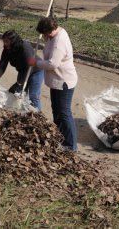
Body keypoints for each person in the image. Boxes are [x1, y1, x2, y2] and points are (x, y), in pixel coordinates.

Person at [28, 17, 78, 151]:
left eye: (45, 33)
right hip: (56, 81)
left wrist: (36, 63)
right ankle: (60, 139)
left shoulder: (59, 41)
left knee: (64, 113)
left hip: (64, 81)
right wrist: (46, 39)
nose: (44, 36)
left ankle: (71, 145)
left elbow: (52, 64)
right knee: (56, 111)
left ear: (51, 29)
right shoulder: (53, 36)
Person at [0, 30, 44, 111]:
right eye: (4, 41)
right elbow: (2, 66)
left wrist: (19, 83)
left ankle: (37, 115)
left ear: (13, 41)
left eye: (7, 41)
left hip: (35, 71)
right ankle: (22, 112)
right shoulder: (7, 49)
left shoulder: (25, 47)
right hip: (22, 71)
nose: (4, 44)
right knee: (17, 94)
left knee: (33, 95)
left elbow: (28, 67)